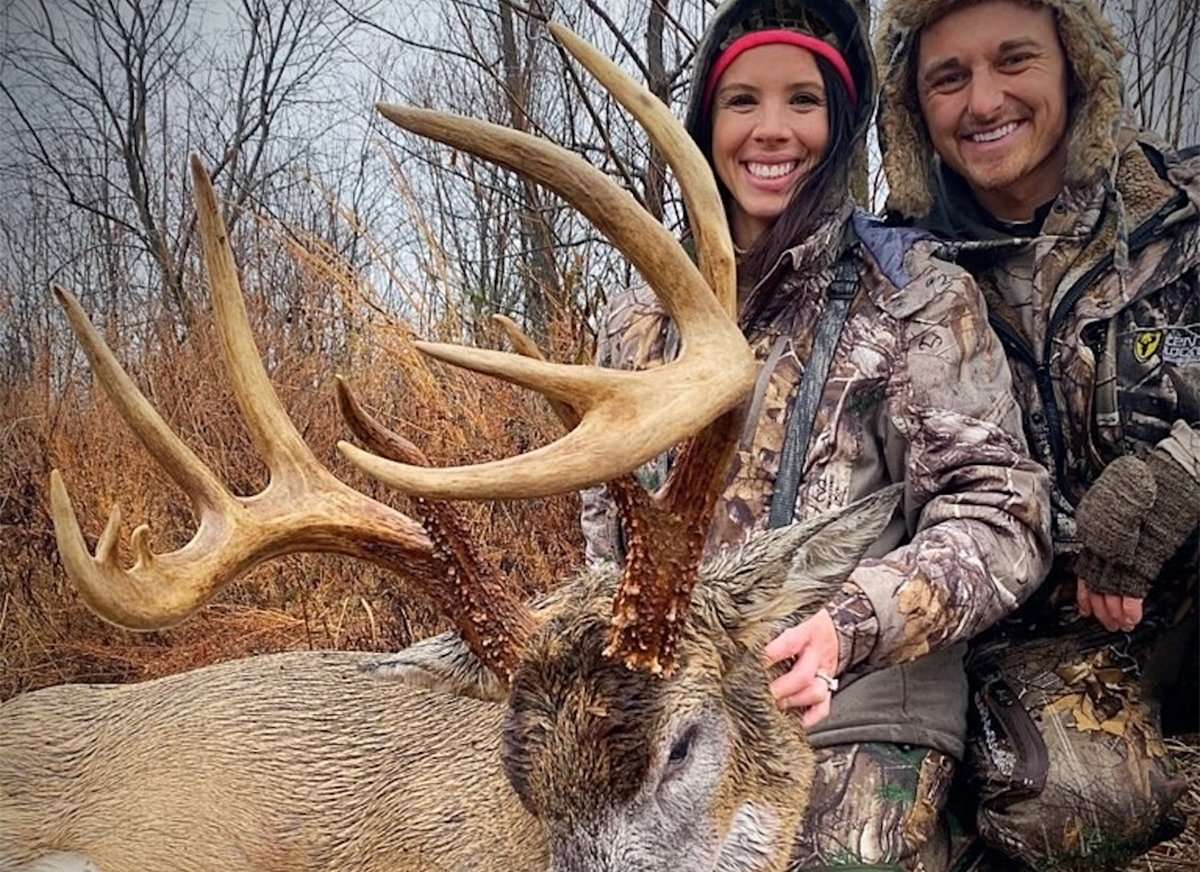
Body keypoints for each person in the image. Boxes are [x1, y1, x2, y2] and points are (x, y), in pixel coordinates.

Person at [581, 1, 1052, 868]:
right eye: (741, 102)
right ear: (704, 124)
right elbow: (607, 540)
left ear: (839, 126)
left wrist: (848, 626)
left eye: (803, 100)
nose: (772, 130)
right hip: (677, 711)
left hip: (860, 701)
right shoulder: (637, 322)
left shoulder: (914, 293)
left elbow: (1003, 514)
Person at [874, 0, 1200, 868]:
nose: (983, 102)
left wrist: (1184, 471)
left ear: (1074, 66)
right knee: (1076, 807)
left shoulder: (1184, 212)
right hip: (1038, 642)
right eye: (948, 77)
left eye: (1013, 60)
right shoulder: (892, 274)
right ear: (911, 109)